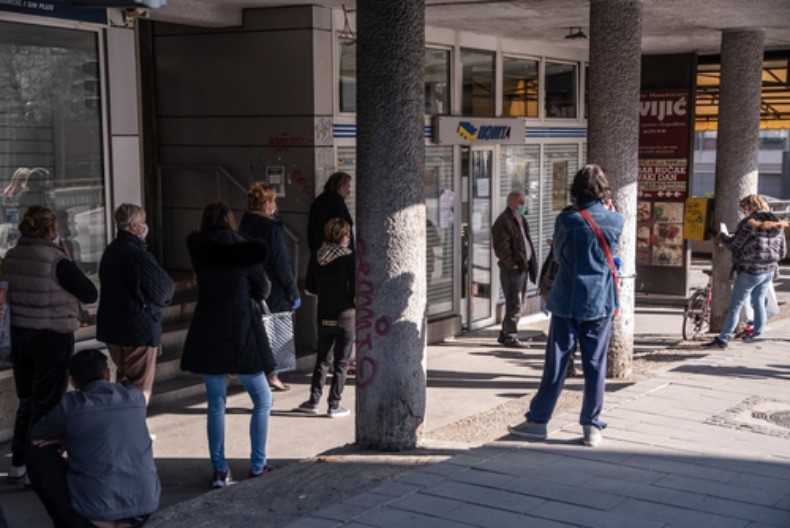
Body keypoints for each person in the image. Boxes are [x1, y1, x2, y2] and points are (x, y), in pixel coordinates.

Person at [508, 164, 623, 447]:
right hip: (601, 301)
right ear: (604, 191)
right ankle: (591, 427)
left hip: (568, 300)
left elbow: (557, 254)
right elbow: (612, 253)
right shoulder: (615, 220)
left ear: (577, 190)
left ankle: (539, 421)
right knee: (595, 364)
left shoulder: (568, 220)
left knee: (557, 363)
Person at [181, 201, 275, 488]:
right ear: (230, 220)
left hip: (208, 327)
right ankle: (258, 464)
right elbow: (263, 288)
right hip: (241, 328)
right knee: (262, 399)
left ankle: (220, 471)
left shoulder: (199, 247)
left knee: (215, 404)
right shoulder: (244, 248)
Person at [3, 206, 98, 485]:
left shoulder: (10, 257)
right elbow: (89, 293)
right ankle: (38, 467)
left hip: (20, 335)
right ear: (50, 231)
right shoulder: (56, 261)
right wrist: (66, 255)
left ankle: (18, 463)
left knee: (27, 400)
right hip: (52, 337)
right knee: (47, 403)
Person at [27, 349, 160, 528]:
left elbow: (37, 434)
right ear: (107, 374)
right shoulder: (135, 397)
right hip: (144, 505)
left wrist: (66, 437)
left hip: (93, 513)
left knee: (36, 451)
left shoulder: (71, 405)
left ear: (73, 382)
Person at [97, 204, 174, 404]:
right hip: (137, 329)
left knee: (124, 381)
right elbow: (164, 289)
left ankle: (124, 430)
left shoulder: (111, 251)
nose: (145, 227)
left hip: (113, 328)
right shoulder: (137, 254)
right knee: (139, 387)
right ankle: (135, 431)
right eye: (143, 223)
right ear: (133, 226)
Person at [239, 182, 300, 392]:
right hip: (274, 288)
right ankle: (273, 374)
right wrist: (293, 292)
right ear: (265, 204)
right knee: (276, 333)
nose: (275, 204)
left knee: (260, 331)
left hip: (252, 286)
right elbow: (282, 264)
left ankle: (265, 373)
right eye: (273, 200)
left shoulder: (245, 225)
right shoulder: (270, 230)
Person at [704, 194, 786, 348]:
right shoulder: (777, 223)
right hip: (768, 271)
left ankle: (723, 339)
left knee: (735, 305)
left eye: (744, 209)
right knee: (759, 301)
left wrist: (722, 236)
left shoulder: (749, 223)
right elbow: (782, 253)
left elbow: (734, 244)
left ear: (750, 207)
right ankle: (757, 333)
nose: (744, 213)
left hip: (750, 270)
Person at [296, 218, 355, 418]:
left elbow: (310, 289)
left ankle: (313, 400)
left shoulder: (318, 257)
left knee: (322, 359)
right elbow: (355, 289)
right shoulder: (349, 259)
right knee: (341, 362)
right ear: (343, 236)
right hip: (345, 315)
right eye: (347, 234)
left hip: (323, 314)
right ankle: (334, 404)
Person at [491, 191, 537, 348]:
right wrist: (512, 263)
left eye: (524, 202)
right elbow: (500, 247)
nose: (523, 206)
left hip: (522, 266)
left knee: (518, 302)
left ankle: (505, 333)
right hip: (513, 269)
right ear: (511, 203)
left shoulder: (521, 219)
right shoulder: (503, 220)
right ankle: (510, 335)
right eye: (520, 202)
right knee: (515, 302)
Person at [307, 171, 353, 255]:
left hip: (319, 253)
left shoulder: (320, 200)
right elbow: (340, 232)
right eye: (347, 186)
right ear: (340, 186)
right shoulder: (336, 203)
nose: (349, 192)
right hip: (334, 258)